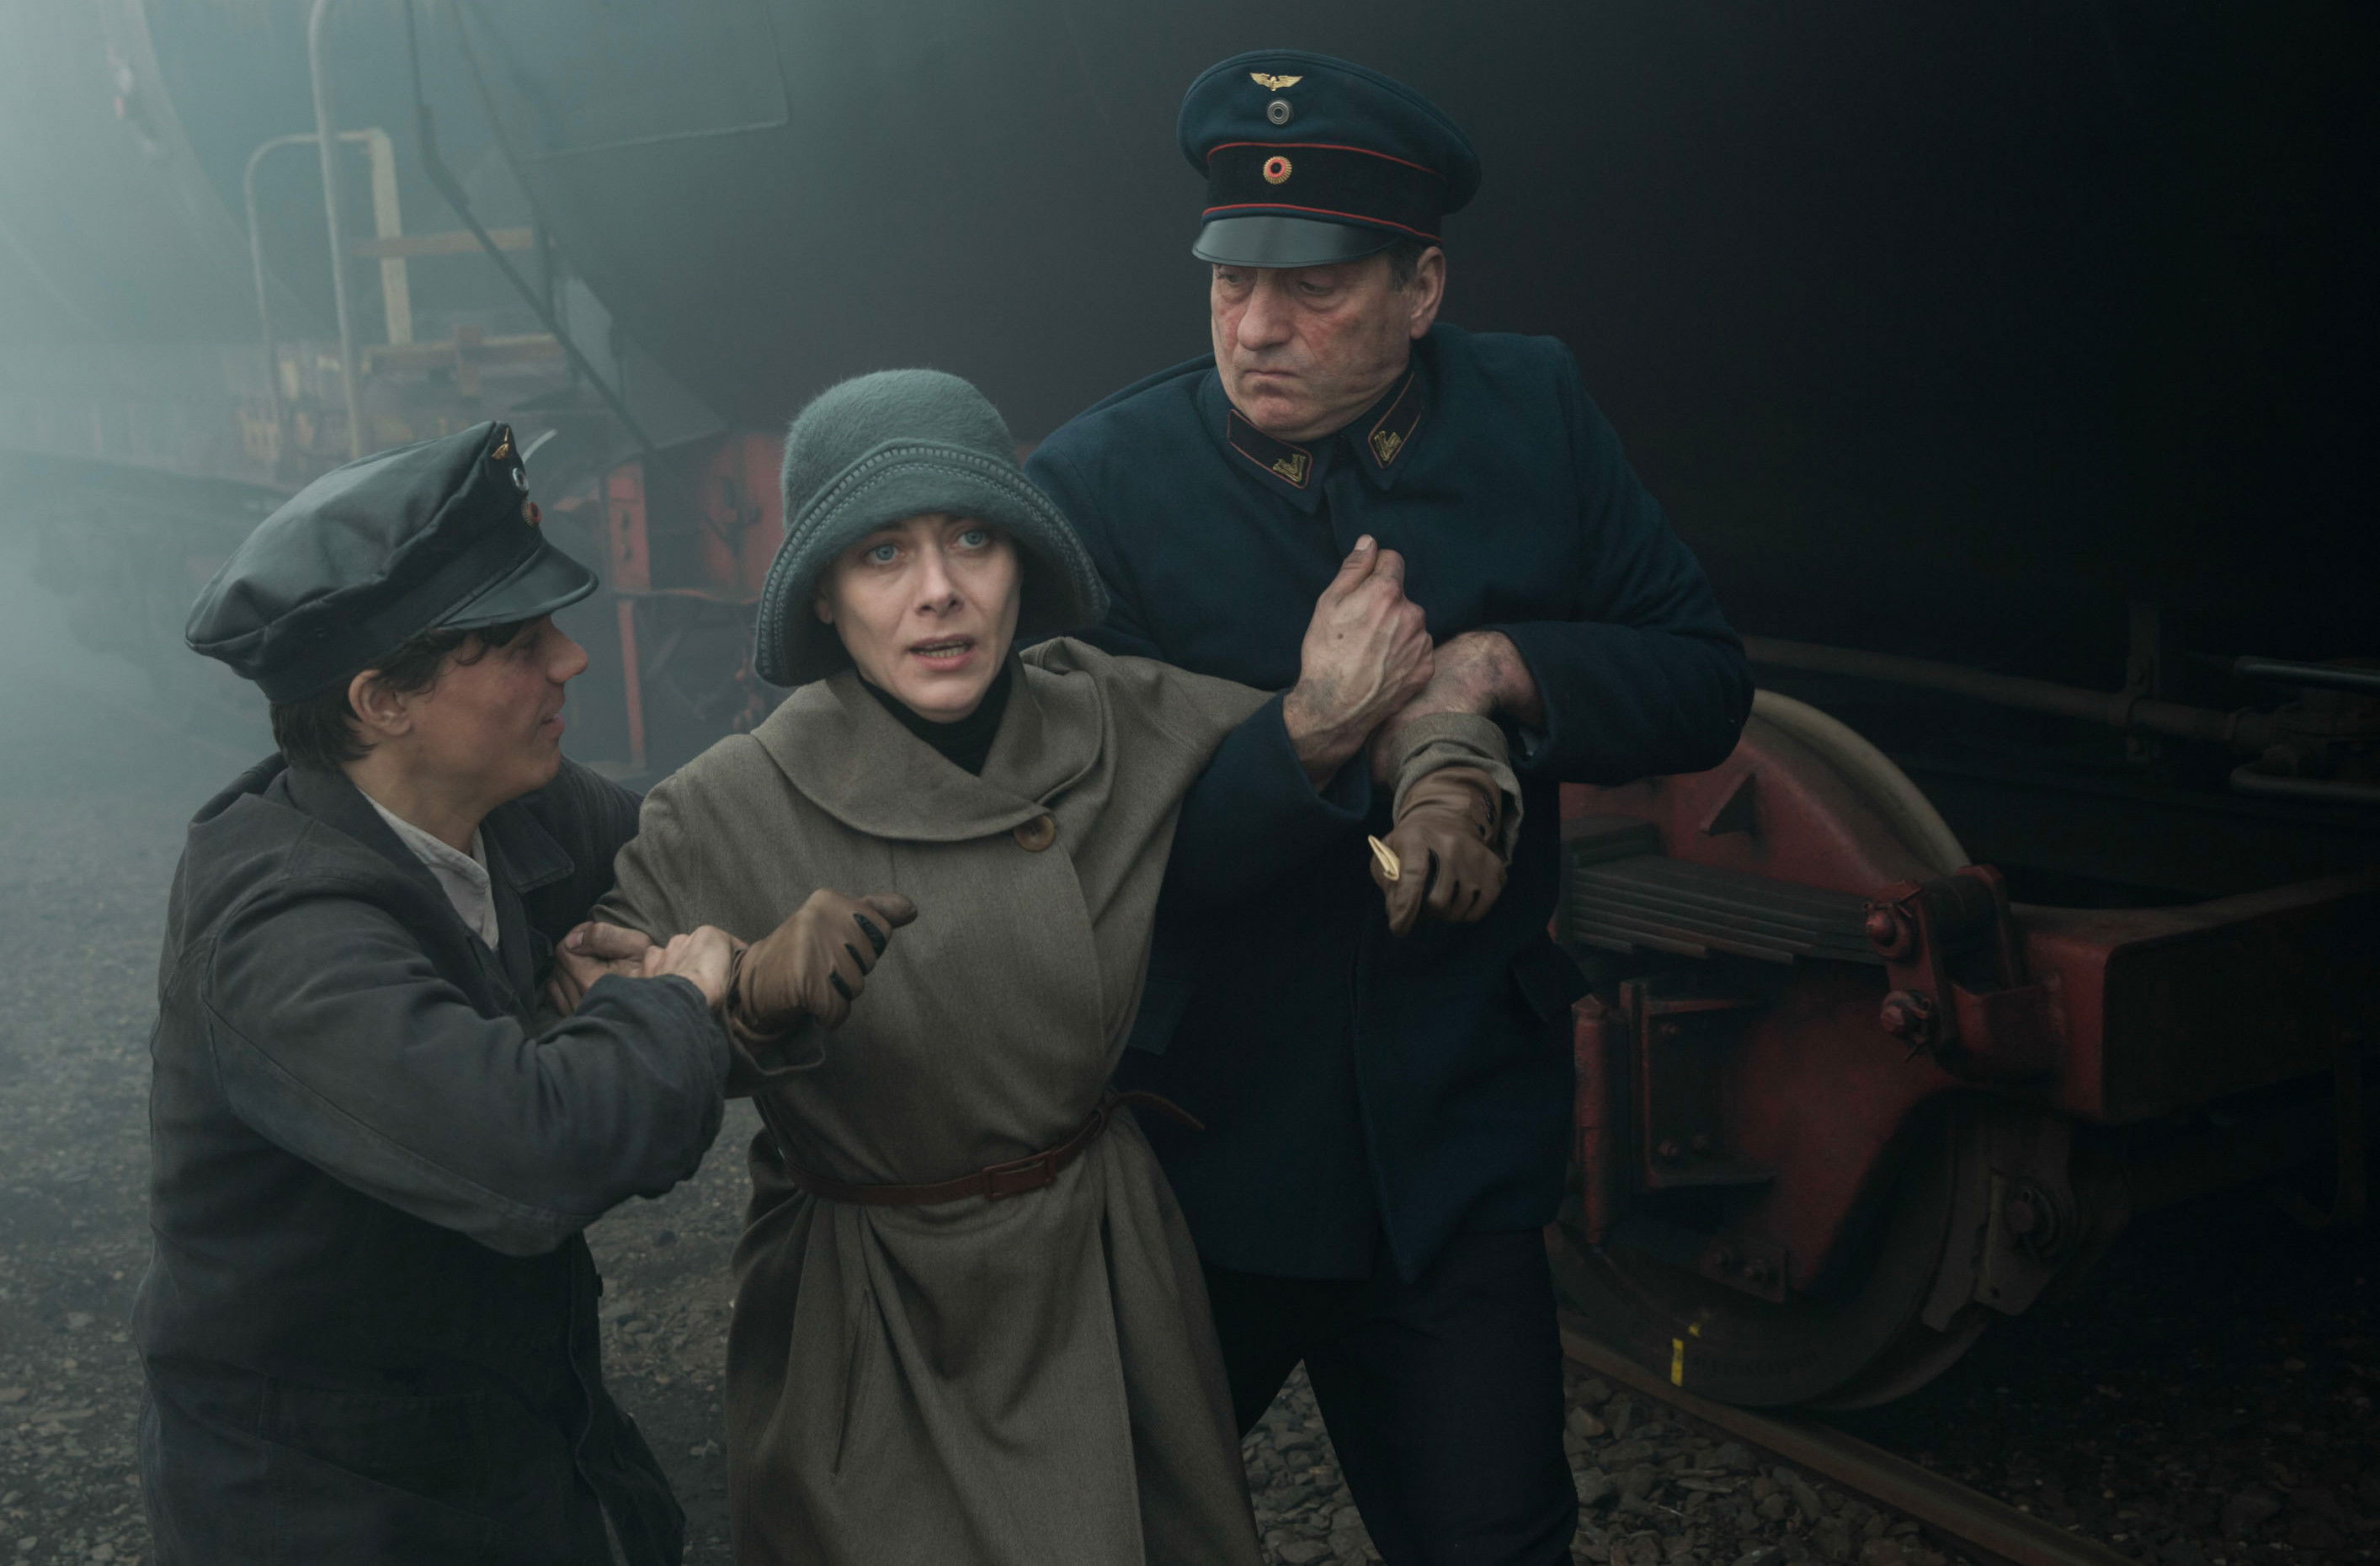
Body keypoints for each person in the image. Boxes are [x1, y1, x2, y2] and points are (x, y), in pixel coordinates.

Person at [562, 369, 1518, 1566]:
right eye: (881, 555)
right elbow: (586, 1019)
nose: (940, 592)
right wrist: (748, 988)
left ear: (1022, 560)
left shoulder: (1113, 716)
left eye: (973, 539)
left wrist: (1445, 785)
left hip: (1103, 1277)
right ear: (822, 598)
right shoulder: (726, 805)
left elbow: (1378, 713)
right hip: (874, 1309)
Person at [1025, 50, 1754, 1566]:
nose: (1257, 325)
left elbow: (1701, 678)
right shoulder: (1098, 487)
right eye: (1231, 283)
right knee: (1102, 1539)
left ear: (1423, 289)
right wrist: (1309, 733)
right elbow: (1080, 854)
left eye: (1314, 289)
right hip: (1198, 1163)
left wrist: (1495, 670)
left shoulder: (1533, 413)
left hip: (1450, 1160)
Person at [137, 422, 907, 1563]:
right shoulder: (279, 935)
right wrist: (678, 998)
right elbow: (532, 1159)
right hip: (330, 1502)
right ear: (381, 702)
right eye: (516, 642)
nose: (572, 659)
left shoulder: (507, 808)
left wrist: (749, 973)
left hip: (514, 1434)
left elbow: (702, 851)